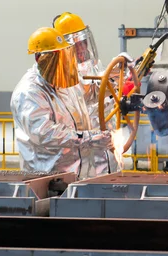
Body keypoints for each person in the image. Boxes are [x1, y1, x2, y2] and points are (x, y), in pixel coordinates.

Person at [10, 27, 113, 178]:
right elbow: (45, 133)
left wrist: (115, 82)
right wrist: (88, 139)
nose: (63, 64)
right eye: (57, 59)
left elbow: (90, 93)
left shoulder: (63, 82)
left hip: (80, 174)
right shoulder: (29, 92)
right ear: (39, 59)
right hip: (48, 177)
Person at [53, 12, 127, 175]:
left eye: (83, 43)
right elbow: (88, 106)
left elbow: (101, 87)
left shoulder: (93, 65)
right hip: (86, 153)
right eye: (76, 45)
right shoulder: (65, 78)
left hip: (107, 148)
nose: (82, 49)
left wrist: (123, 70)